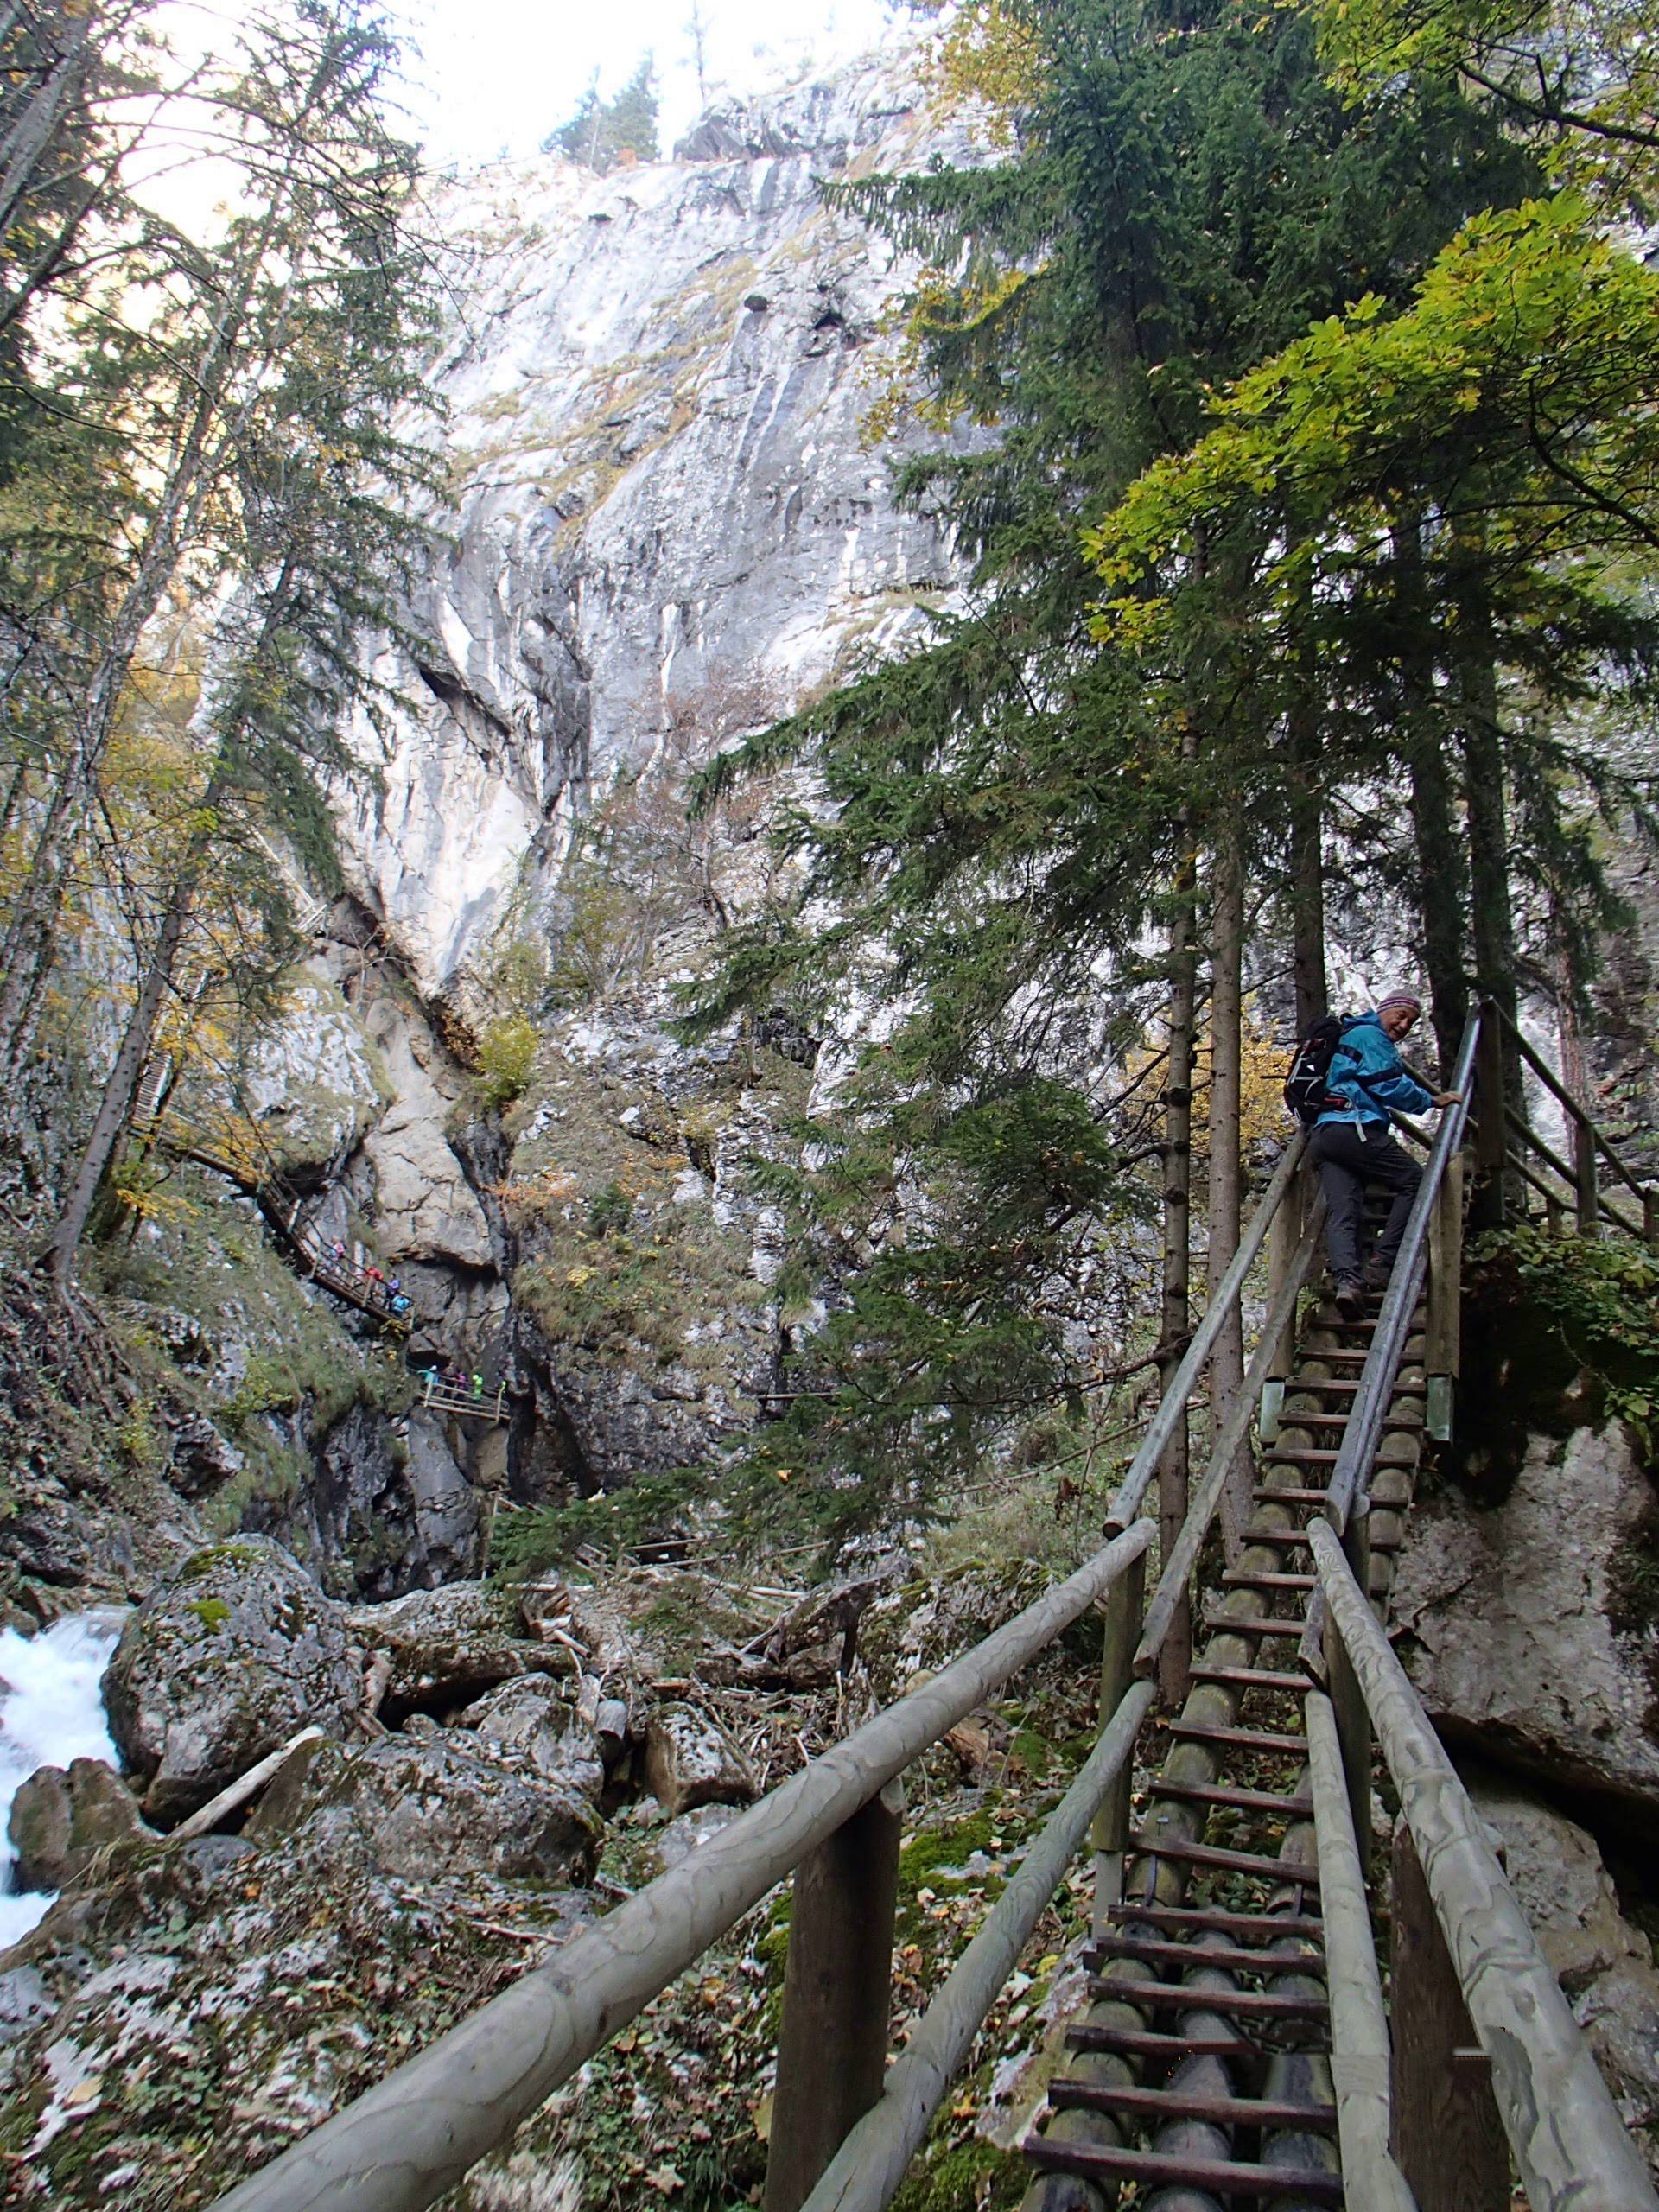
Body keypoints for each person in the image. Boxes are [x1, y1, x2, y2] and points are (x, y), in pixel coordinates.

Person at [1311, 990, 1462, 1319]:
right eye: (1401, 1015)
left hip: (1326, 1132)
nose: (1404, 1024)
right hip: (1354, 1127)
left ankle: (1348, 1284)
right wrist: (1430, 1101)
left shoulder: (1352, 1034)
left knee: (1344, 1209)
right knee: (1414, 1181)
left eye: (1411, 1021)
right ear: (1384, 1010)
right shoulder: (1370, 1036)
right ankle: (1381, 1263)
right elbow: (1388, 1083)